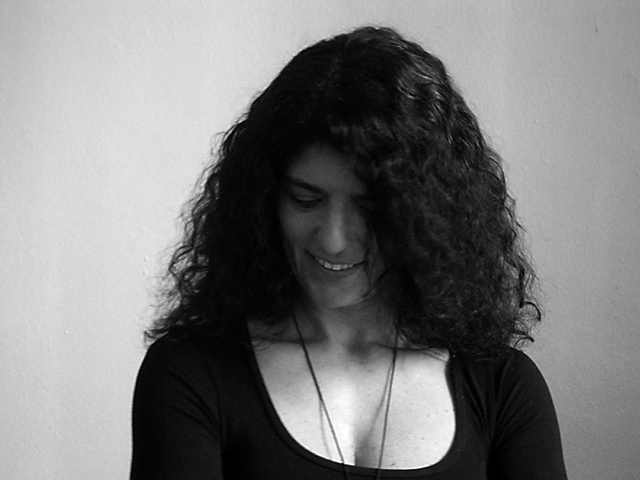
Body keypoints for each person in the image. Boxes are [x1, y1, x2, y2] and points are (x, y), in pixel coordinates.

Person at [130, 26, 567, 480]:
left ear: (430, 213)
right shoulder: (190, 372)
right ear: (263, 199)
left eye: (370, 209)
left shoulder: (503, 386)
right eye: (305, 200)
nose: (333, 240)